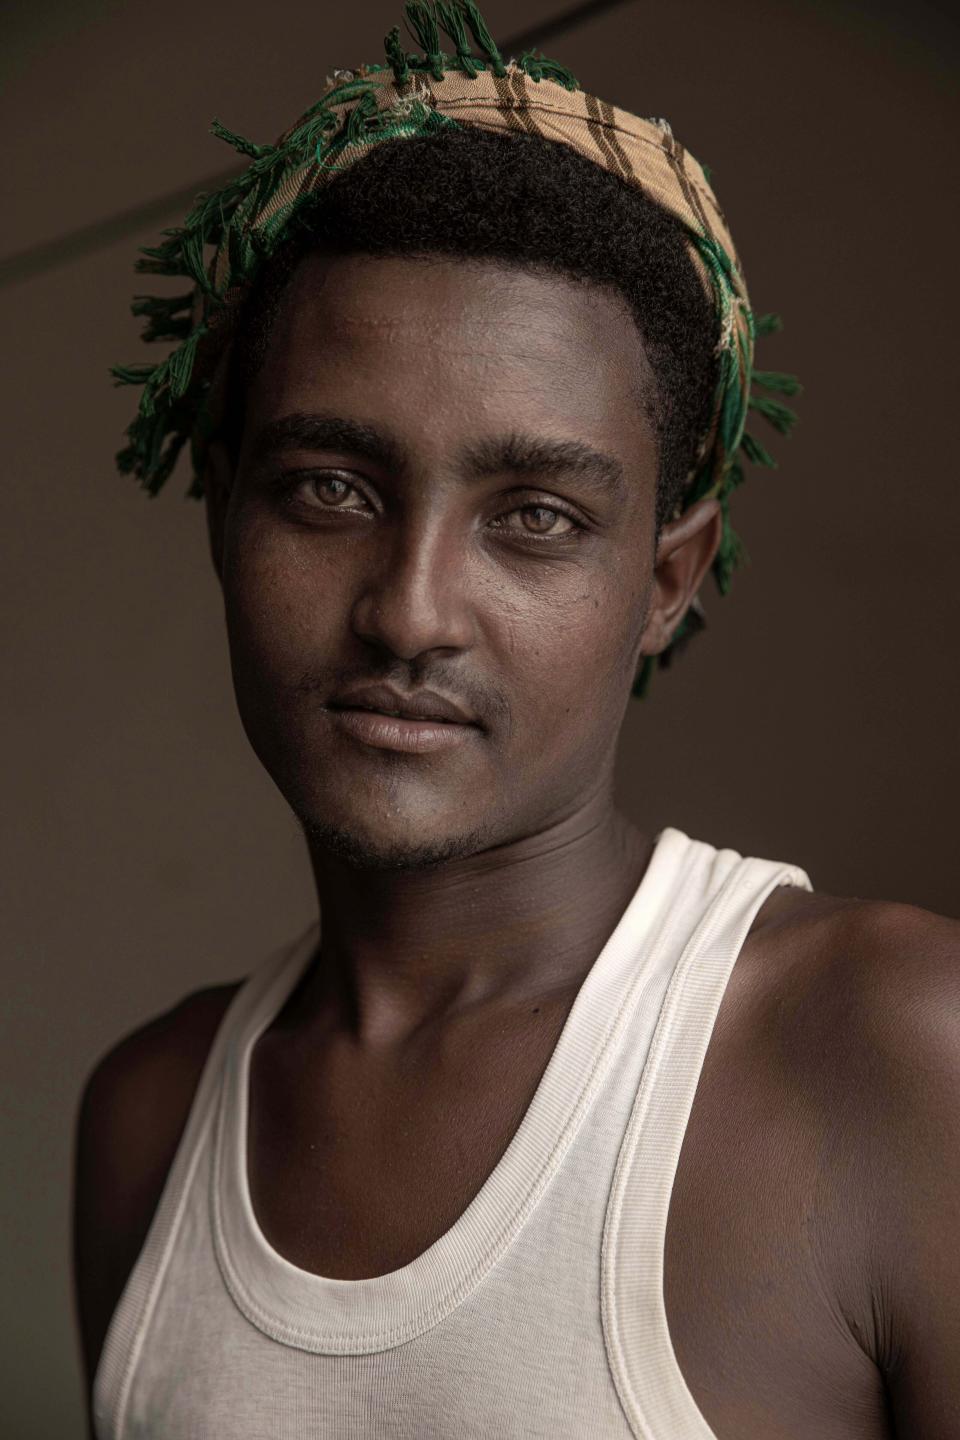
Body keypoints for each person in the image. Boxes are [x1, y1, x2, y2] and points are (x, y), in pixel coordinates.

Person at [73, 5, 959, 1437]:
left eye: (534, 518)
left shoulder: (895, 1056)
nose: (411, 611)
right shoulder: (147, 1127)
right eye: (332, 489)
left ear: (665, 579)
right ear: (224, 503)